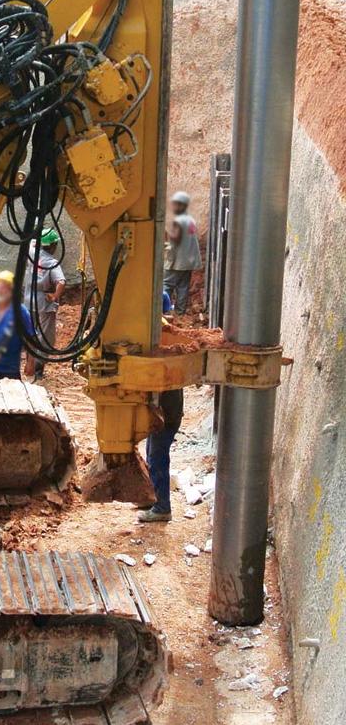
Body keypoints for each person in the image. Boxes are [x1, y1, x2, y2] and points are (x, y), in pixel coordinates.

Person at [139, 290, 183, 523]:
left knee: (157, 457)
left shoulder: (159, 336)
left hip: (166, 413)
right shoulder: (166, 333)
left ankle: (162, 507)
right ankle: (153, 496)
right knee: (152, 453)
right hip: (167, 410)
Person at [23, 228, 66, 379]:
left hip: (29, 300)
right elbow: (61, 282)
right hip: (44, 303)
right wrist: (54, 296)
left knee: (31, 333)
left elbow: (30, 242)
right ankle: (37, 368)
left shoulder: (32, 254)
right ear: (53, 245)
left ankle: (29, 362)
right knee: (46, 338)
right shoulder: (52, 262)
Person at [0, 270, 35, 380]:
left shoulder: (20, 311)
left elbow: (31, 338)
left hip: (10, 368)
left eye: (3, 287)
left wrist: (31, 363)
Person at [164, 190, 201, 314]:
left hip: (178, 262)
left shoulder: (178, 221)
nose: (173, 207)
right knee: (183, 287)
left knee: (166, 285)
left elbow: (176, 239)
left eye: (175, 204)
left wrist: (165, 233)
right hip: (188, 262)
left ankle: (164, 311)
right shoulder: (190, 220)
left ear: (181, 205)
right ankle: (180, 312)